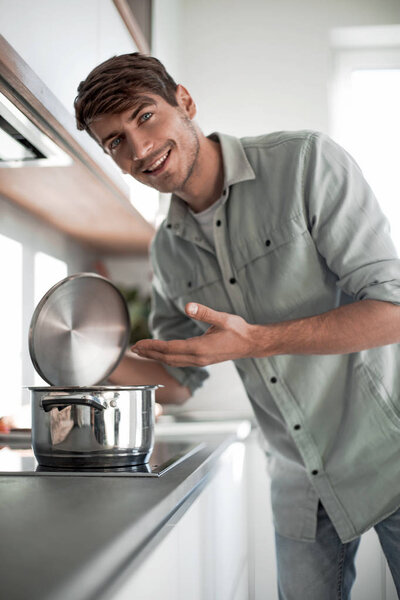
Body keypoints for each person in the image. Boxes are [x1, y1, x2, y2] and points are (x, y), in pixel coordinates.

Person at [74, 52, 400, 599]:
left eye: (145, 117)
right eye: (115, 143)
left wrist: (258, 340)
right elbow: (177, 386)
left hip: (387, 455)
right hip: (298, 480)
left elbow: (392, 309)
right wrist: (85, 353)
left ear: (185, 101)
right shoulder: (168, 250)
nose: (139, 149)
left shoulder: (305, 162)